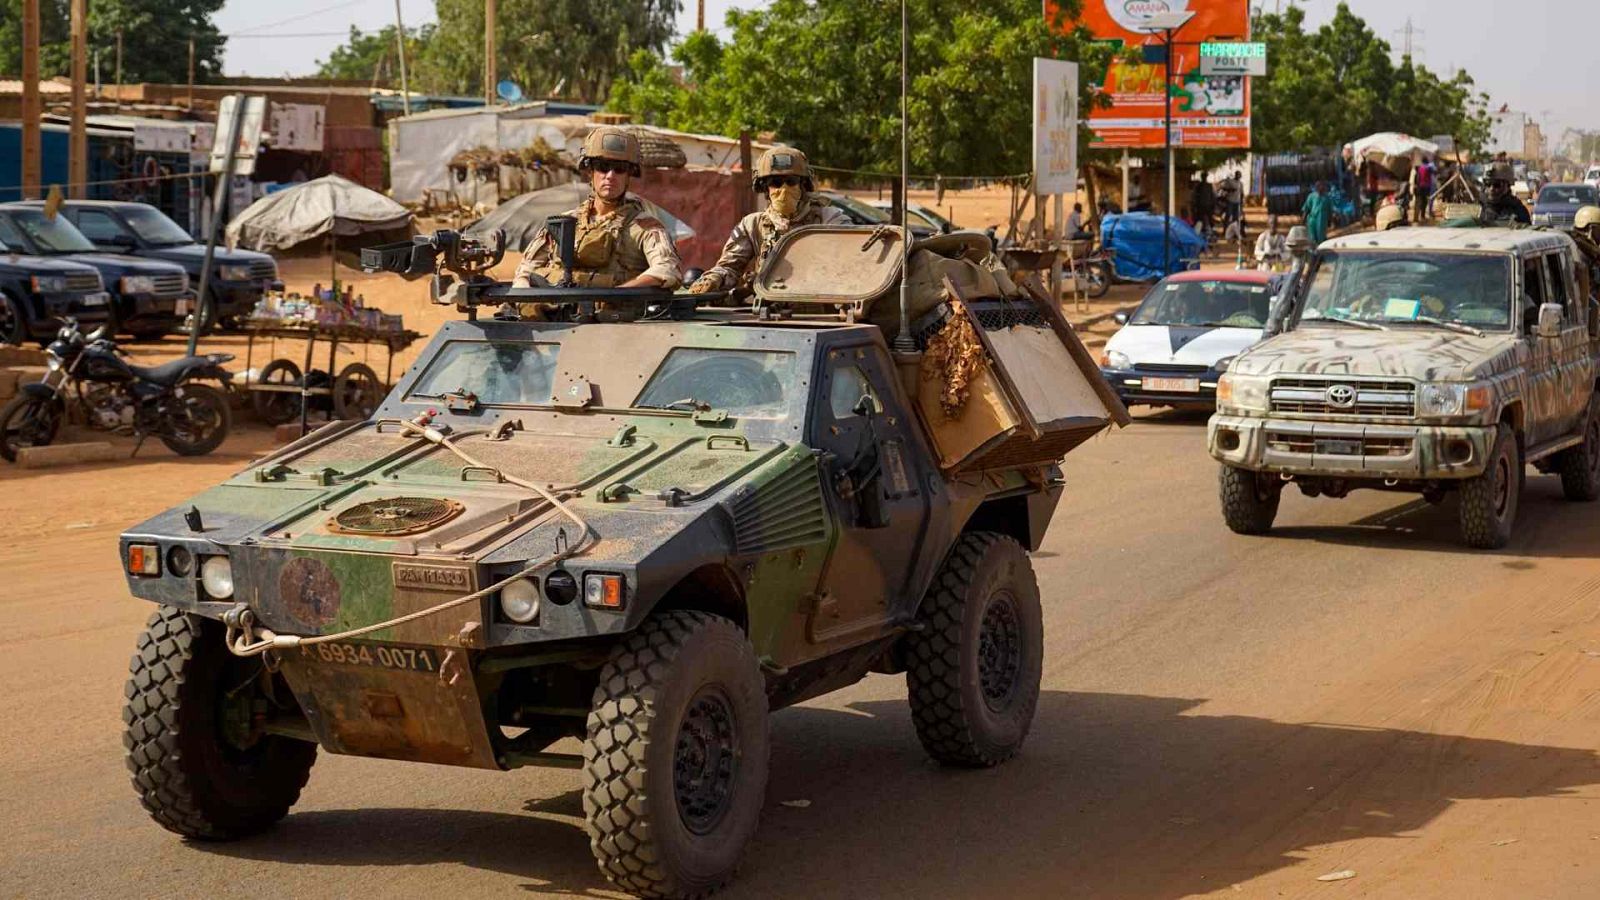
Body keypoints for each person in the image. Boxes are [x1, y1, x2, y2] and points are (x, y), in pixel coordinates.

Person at [513, 126, 682, 291]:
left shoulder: (645, 227)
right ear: (590, 171)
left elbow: (667, 269)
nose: (610, 176)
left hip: (614, 317)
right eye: (602, 166)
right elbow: (525, 271)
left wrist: (618, 294)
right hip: (559, 316)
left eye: (620, 169)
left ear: (629, 175)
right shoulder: (562, 223)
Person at [688, 146, 849, 294]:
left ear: (803, 185)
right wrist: (714, 279)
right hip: (768, 312)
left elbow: (850, 263)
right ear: (765, 188)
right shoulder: (752, 225)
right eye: (776, 183)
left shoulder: (830, 218)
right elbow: (730, 267)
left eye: (791, 182)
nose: (784, 189)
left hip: (821, 311)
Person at [1480, 161, 1531, 225]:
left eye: (1497, 185)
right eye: (1487, 184)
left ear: (1508, 186)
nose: (1491, 189)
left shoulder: (1518, 210)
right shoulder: (1479, 208)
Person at [1301, 180, 1333, 247]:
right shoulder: (1311, 196)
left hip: (1322, 221)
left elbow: (1329, 211)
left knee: (1321, 237)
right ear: (1316, 188)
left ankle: (1320, 250)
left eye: (1323, 187)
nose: (1322, 188)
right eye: (1320, 187)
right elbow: (1306, 208)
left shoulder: (1327, 198)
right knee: (1312, 237)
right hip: (1312, 220)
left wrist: (1329, 221)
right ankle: (1313, 251)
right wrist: (1303, 218)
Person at [1413, 155, 1434, 222]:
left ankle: (1418, 217)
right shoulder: (1428, 167)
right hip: (1426, 187)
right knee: (1424, 201)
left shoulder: (1420, 168)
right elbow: (1434, 171)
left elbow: (1418, 178)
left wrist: (1418, 185)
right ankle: (1422, 215)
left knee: (1420, 201)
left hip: (1420, 186)